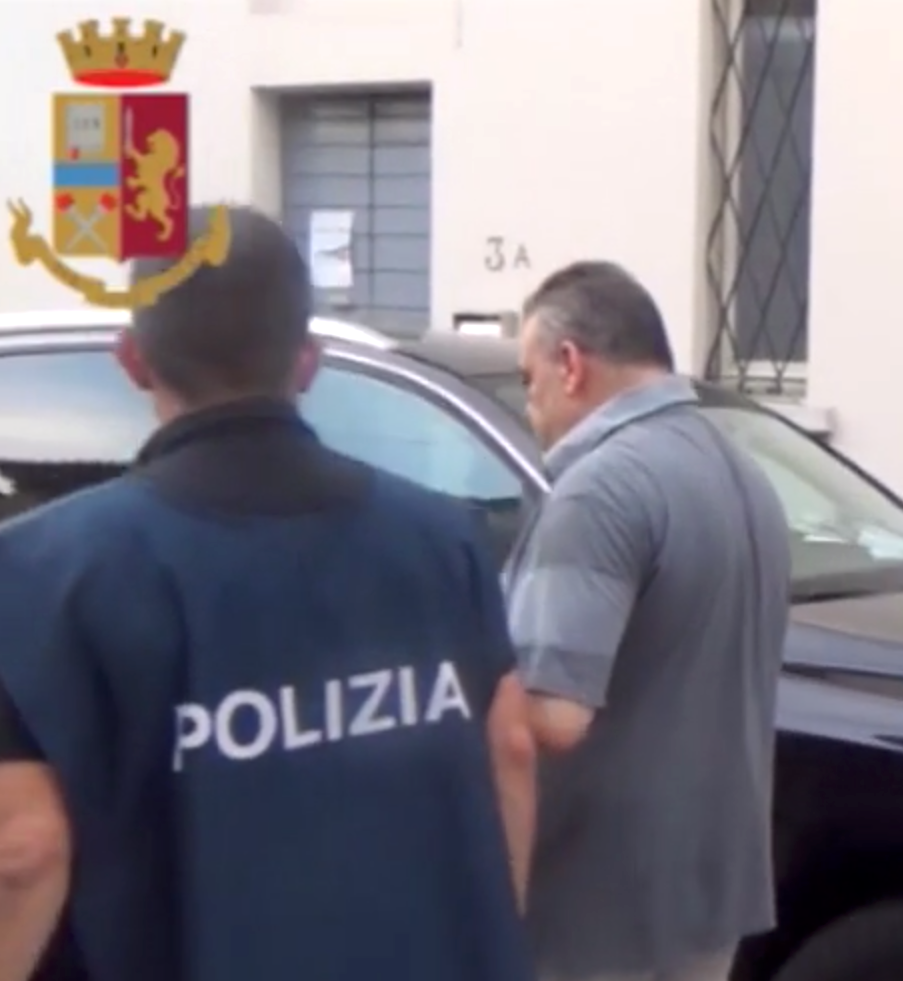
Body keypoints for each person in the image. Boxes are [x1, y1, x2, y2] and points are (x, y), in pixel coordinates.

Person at [0, 205, 537, 981]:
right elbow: (510, 747)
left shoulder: (42, 574)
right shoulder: (443, 541)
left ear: (134, 360)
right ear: (307, 362)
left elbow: (24, 848)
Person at [504, 261, 791, 981]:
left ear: (570, 365)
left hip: (598, 906)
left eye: (528, 381)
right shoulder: (744, 473)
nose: (531, 408)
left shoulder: (599, 490)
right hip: (710, 887)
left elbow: (553, 717)